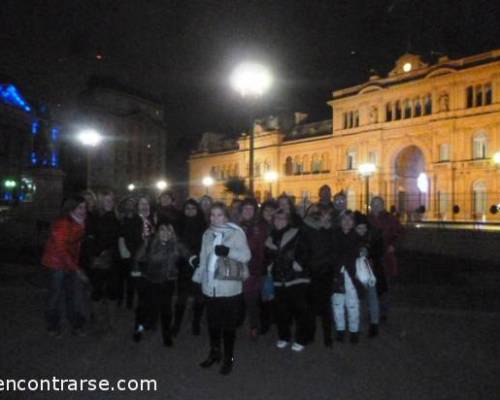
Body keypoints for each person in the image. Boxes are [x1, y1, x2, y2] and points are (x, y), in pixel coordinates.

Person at [192, 202, 251, 375]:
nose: (215, 218)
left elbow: (247, 256)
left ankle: (229, 358)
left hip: (230, 288)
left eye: (219, 215)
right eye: (212, 215)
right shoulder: (207, 233)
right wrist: (199, 276)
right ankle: (215, 353)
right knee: (213, 324)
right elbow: (203, 258)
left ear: (226, 216)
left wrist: (227, 251)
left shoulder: (236, 233)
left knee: (228, 326)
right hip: (210, 287)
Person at [132, 224, 185, 347]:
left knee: (166, 310)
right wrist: (137, 277)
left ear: (172, 233)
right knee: (143, 309)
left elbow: (187, 255)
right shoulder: (150, 243)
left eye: (168, 231)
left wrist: (193, 260)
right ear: (157, 232)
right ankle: (138, 330)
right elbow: (137, 259)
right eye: (162, 230)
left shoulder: (176, 246)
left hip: (168, 282)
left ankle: (166, 336)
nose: (165, 233)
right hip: (150, 281)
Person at [265, 209, 310, 352]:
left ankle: (302, 338)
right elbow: (268, 256)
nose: (279, 220)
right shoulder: (270, 237)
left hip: (296, 278)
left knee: (300, 310)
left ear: (288, 219)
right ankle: (284, 336)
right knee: (281, 311)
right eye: (277, 218)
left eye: (283, 218)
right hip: (279, 278)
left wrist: (299, 263)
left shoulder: (297, 233)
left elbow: (306, 250)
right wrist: (269, 265)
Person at [42, 195, 87, 336]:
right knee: (55, 296)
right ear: (71, 208)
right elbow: (61, 249)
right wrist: (76, 269)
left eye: (85, 207)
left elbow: (77, 247)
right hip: (56, 263)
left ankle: (75, 324)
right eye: (80, 207)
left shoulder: (81, 222)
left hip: (70, 263)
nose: (83, 210)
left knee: (72, 295)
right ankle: (52, 325)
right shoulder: (62, 224)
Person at [301, 204, 336, 347]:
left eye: (327, 216)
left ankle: (327, 336)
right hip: (312, 271)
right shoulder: (309, 229)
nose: (324, 218)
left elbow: (333, 251)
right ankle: (311, 334)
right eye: (322, 215)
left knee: (325, 306)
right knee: (311, 306)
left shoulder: (331, 232)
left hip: (325, 272)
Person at [171, 199, 207, 336]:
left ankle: (196, 323)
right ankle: (176, 325)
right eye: (187, 208)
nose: (190, 210)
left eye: (193, 208)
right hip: (184, 265)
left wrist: (199, 259)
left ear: (197, 210)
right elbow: (177, 243)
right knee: (182, 297)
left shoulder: (203, 225)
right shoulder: (179, 224)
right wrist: (189, 257)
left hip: (199, 265)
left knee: (199, 297)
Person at [86, 191, 121, 331]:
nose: (109, 202)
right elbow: (90, 237)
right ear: (101, 202)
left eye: (111, 200)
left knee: (112, 291)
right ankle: (98, 320)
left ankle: (111, 321)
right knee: (97, 290)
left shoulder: (116, 217)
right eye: (106, 200)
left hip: (113, 259)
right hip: (99, 259)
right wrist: (98, 251)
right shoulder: (95, 217)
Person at [368, 196, 404, 321]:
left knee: (386, 285)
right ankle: (373, 310)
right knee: (371, 285)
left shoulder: (390, 218)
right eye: (374, 204)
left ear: (383, 205)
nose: (376, 206)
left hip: (385, 258)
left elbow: (400, 233)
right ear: (371, 206)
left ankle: (383, 311)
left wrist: (393, 245)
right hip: (371, 258)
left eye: (378, 204)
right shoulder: (368, 219)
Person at [331, 211, 364, 344]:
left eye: (349, 219)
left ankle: (354, 330)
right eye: (344, 219)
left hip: (352, 275)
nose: (346, 222)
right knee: (337, 303)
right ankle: (340, 329)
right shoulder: (334, 235)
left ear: (353, 222)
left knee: (353, 304)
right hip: (337, 274)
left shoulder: (357, 236)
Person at [239, 197, 268, 339]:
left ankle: (254, 327)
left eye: (250, 209)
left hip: (253, 267)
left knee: (251, 299)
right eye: (245, 208)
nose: (247, 211)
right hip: (237, 267)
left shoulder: (259, 226)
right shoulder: (237, 225)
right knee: (238, 297)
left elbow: (255, 245)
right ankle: (239, 322)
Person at [353, 211, 384, 337]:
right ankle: (358, 325)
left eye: (363, 228)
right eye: (359, 228)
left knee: (372, 296)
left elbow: (379, 251)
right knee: (358, 298)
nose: (361, 230)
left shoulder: (373, 236)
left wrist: (369, 253)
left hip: (370, 272)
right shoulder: (352, 238)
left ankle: (374, 323)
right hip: (357, 272)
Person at [118, 197, 143, 309]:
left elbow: (138, 236)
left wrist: (135, 252)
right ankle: (119, 300)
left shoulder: (138, 219)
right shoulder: (121, 219)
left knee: (132, 279)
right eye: (128, 204)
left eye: (132, 204)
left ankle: (129, 302)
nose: (130, 206)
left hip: (134, 252)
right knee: (121, 278)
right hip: (121, 251)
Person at [259, 199, 278, 335]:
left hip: (276, 263)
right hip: (263, 264)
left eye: (272, 210)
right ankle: (265, 322)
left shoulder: (278, 225)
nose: (269, 213)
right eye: (266, 210)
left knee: (273, 295)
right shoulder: (259, 226)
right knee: (265, 294)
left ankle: (273, 319)